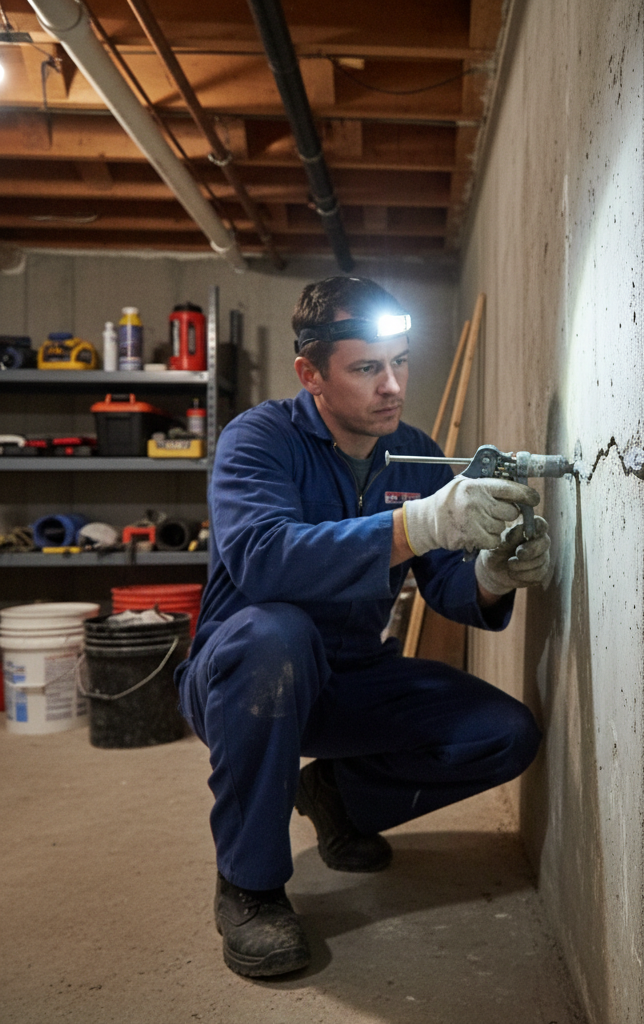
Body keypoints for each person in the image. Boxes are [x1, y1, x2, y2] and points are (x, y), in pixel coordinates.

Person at [175, 275, 551, 978]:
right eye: (367, 368)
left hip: (351, 675)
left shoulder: (410, 450)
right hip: (246, 673)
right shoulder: (258, 441)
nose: (393, 386)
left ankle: (337, 795)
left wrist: (496, 574)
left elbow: (446, 586)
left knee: (505, 733)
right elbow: (262, 560)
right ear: (310, 373)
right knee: (277, 636)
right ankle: (249, 887)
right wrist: (417, 524)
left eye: (401, 361)